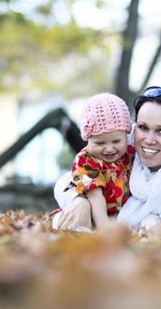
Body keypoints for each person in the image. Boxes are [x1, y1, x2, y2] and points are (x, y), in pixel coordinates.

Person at [54, 85, 161, 231]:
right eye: (143, 127)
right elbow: (67, 180)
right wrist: (80, 200)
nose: (149, 140)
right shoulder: (125, 142)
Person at [52, 93, 135, 230]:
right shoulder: (87, 160)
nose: (109, 149)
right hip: (91, 214)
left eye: (116, 141)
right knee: (76, 225)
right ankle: (59, 223)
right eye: (99, 143)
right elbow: (95, 196)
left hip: (120, 216)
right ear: (87, 139)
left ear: (126, 135)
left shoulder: (131, 154)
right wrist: (104, 227)